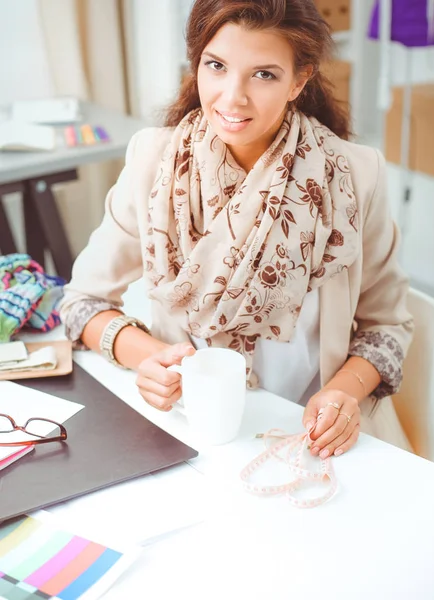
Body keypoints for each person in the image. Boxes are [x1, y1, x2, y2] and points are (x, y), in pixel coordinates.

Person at [60, 0, 414, 458]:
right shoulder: (154, 163)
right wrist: (145, 354)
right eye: (217, 66)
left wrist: (345, 391)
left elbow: (387, 325)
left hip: (316, 440)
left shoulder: (353, 175)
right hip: (192, 433)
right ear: (197, 66)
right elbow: (81, 303)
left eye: (264, 74)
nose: (232, 97)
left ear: (299, 80)